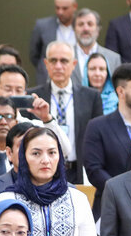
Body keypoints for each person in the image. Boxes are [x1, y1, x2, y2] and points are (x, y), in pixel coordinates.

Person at [0, 127, 100, 236]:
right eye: (36, 153)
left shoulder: (78, 200)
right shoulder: (6, 201)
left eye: (52, 152)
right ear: (24, 157)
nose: (45, 160)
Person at [32, 41, 104, 184]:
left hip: (78, 170)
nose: (58, 66)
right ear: (46, 64)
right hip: (42, 170)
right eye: (53, 61)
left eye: (64, 61)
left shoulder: (91, 96)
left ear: (74, 64)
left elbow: (97, 138)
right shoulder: (34, 96)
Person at [81, 63, 131, 211]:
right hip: (110, 206)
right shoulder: (97, 126)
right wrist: (121, 192)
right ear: (120, 91)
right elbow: (94, 170)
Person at [0, 62, 64, 152]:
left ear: (25, 93)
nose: (12, 95)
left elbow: (64, 150)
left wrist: (46, 118)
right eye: (8, 89)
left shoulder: (34, 127)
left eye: (18, 90)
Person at [29, 0, 79, 73]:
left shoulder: (81, 26)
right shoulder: (42, 26)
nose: (60, 12)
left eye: (65, 8)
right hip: (48, 78)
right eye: (57, 8)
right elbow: (34, 55)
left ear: (74, 6)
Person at [70, 8, 121, 84]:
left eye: (90, 24)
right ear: (74, 29)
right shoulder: (64, 57)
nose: (85, 29)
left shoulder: (114, 59)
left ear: (98, 30)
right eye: (81, 24)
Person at [84, 51, 118, 116]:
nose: (97, 74)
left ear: (107, 73)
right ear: (86, 72)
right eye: (92, 69)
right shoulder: (78, 98)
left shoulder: (117, 99)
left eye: (102, 69)